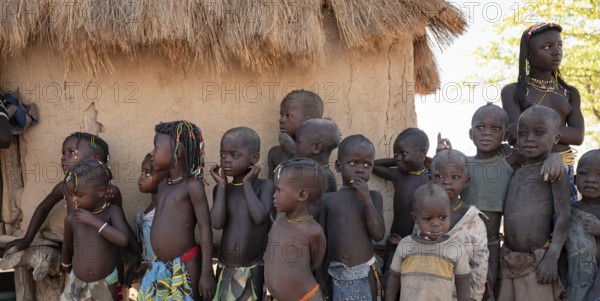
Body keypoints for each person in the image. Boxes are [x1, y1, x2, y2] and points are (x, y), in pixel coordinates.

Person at [501, 22, 584, 202]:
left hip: (564, 168)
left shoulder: (569, 93)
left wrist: (535, 130)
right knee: (531, 225)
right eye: (547, 47)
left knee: (565, 222)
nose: (557, 52)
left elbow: (578, 136)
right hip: (528, 168)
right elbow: (516, 133)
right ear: (528, 55)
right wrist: (555, 132)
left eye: (559, 46)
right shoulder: (514, 91)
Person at [497, 105, 570, 300]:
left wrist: (552, 257)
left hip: (539, 262)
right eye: (523, 133)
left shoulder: (553, 170)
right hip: (510, 260)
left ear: (555, 138)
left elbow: (564, 216)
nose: (529, 139)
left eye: (539, 133)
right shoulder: (516, 167)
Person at [5, 132, 122, 251]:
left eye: (71, 152)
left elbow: (123, 227)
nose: (63, 157)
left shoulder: (110, 192)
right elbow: (43, 208)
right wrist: (27, 240)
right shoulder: (64, 188)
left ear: (95, 160)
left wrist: (138, 254)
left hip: (108, 257)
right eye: (63, 153)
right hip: (77, 256)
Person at [139, 120, 215, 301]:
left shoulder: (192, 186)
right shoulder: (164, 183)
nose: (152, 152)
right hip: (160, 265)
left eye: (156, 148)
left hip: (185, 263)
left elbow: (205, 228)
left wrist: (206, 272)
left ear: (177, 152)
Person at [210, 127, 274, 301]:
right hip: (225, 269)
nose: (226, 161)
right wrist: (222, 187)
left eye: (234, 155)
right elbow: (216, 223)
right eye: (223, 155)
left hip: (253, 269)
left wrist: (247, 184)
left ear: (254, 159)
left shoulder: (264, 186)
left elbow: (260, 217)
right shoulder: (222, 189)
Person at [319, 134, 385, 300]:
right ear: (339, 166)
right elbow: (321, 242)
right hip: (335, 274)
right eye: (353, 162)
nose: (360, 169)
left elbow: (378, 235)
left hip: (366, 272)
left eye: (367, 164)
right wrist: (319, 275)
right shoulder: (329, 200)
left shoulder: (374, 197)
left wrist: (367, 201)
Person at [385, 183, 470, 301]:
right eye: (427, 218)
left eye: (443, 217)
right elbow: (394, 277)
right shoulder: (406, 245)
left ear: (450, 214)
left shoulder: (455, 247)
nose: (436, 224)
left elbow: (463, 283)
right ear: (415, 218)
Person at [61, 159, 130, 301]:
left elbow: (123, 239)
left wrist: (94, 222)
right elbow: (67, 244)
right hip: (77, 282)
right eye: (71, 195)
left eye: (79, 195)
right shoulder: (73, 218)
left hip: (104, 283)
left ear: (101, 192)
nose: (74, 200)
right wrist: (66, 264)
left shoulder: (112, 212)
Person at [430, 149, 488, 301]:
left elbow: (480, 265)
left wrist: (475, 297)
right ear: (430, 179)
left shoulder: (473, 219)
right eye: (439, 176)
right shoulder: (425, 215)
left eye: (454, 177)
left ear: (466, 181)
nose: (446, 181)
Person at [265, 158, 327, 301]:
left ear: (302, 195)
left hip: (306, 297)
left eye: (279, 190)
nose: (274, 195)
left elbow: (315, 262)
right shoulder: (280, 217)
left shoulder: (313, 231)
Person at [372, 128, 430, 274]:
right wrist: (398, 159)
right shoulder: (399, 175)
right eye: (395, 153)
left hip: (418, 245)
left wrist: (428, 160)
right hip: (394, 243)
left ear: (422, 153)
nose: (398, 157)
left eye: (403, 153)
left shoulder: (431, 178)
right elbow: (374, 165)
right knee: (391, 279)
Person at [124, 153, 170, 286]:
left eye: (147, 173)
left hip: (164, 276)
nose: (141, 178)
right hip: (152, 272)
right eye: (142, 172)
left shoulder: (166, 211)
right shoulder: (152, 206)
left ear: (166, 177)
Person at [565, 149, 600, 300]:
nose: (591, 179)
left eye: (599, 174)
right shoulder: (568, 210)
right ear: (574, 178)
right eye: (584, 173)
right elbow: (561, 250)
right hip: (574, 281)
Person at [267, 90, 324, 179]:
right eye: (281, 115)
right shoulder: (275, 153)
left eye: (288, 115)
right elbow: (270, 186)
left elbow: (315, 182)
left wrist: (292, 153)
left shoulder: (317, 151)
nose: (281, 120)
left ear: (308, 121)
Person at [295, 118, 341, 193]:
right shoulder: (315, 172)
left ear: (316, 148)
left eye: (298, 142)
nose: (294, 145)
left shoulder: (322, 178)